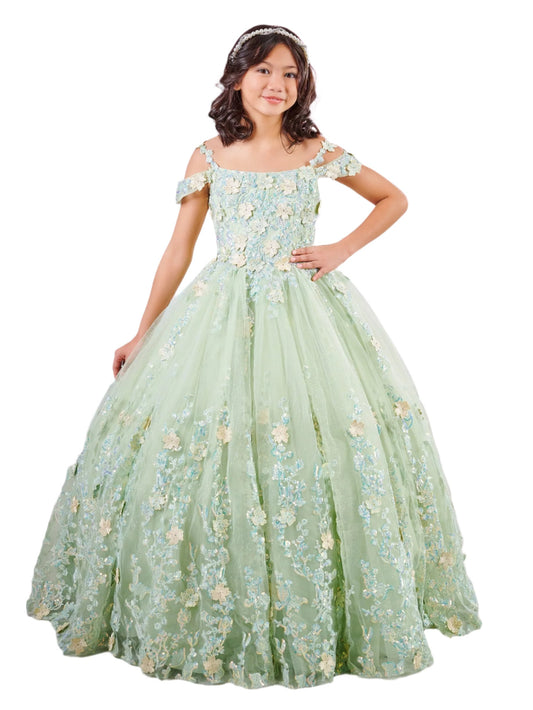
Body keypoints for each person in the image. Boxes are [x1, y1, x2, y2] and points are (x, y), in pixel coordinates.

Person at [26, 23, 482, 689]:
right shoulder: (209, 155)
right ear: (237, 77)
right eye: (264, 70)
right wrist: (143, 332)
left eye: (290, 74)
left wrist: (339, 249)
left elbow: (394, 199)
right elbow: (179, 249)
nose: (277, 84)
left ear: (302, 85)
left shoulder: (315, 150)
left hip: (307, 314)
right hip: (218, 312)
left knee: (316, 440)